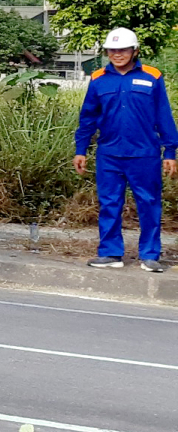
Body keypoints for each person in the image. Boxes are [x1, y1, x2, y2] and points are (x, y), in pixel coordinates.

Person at [74, 27, 174, 272]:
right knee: (109, 204)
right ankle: (110, 253)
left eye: (123, 50)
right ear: (107, 52)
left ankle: (150, 255)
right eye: (112, 50)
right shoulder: (98, 79)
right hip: (109, 154)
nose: (117, 54)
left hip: (144, 154)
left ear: (134, 50)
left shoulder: (152, 76)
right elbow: (88, 117)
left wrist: (170, 152)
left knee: (149, 203)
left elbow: (164, 116)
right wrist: (81, 149)